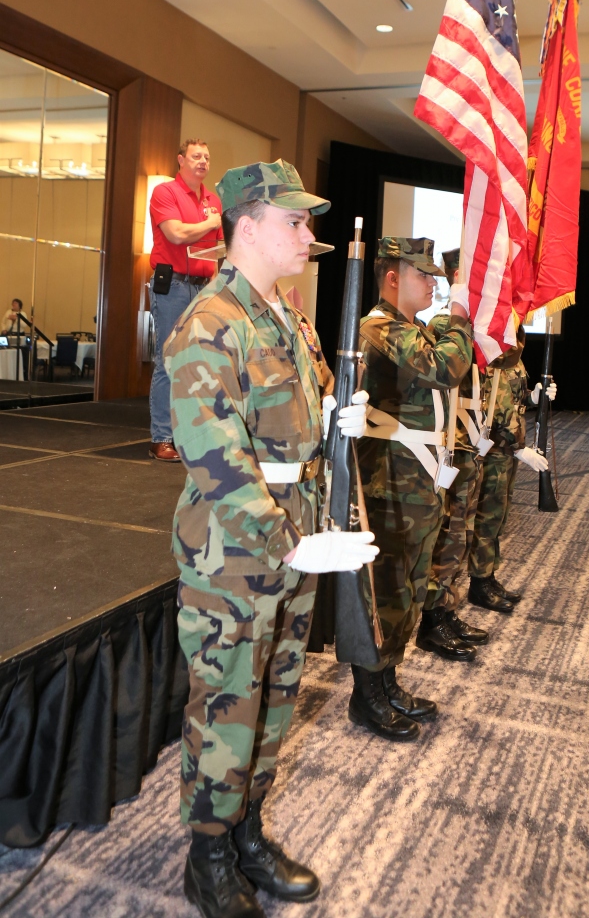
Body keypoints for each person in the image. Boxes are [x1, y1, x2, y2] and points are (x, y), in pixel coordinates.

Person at [165, 160, 377, 918]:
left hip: (295, 537)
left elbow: (299, 412)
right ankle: (208, 857)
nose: (307, 233)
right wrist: (288, 543)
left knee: (275, 697)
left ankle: (247, 831)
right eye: (294, 220)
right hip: (235, 553)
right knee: (228, 705)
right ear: (247, 227)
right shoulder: (210, 323)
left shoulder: (287, 317)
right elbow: (216, 458)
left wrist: (338, 415)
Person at [353, 237, 473, 740]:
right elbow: (446, 367)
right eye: (422, 275)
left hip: (416, 480)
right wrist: (460, 315)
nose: (432, 284)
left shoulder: (412, 328)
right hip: (391, 483)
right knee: (387, 590)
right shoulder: (379, 327)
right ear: (392, 277)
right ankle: (367, 694)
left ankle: (388, 682)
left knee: (408, 588)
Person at [417, 248, 488, 662]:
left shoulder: (470, 322)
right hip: (452, 443)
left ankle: (445, 609)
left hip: (467, 441)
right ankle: (433, 618)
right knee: (447, 536)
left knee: (460, 533)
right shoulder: (445, 323)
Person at [148, 139, 223, 462]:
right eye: (196, 156)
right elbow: (176, 234)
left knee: (199, 363)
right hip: (174, 286)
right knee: (169, 360)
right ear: (181, 160)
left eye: (207, 156)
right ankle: (162, 438)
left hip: (204, 287)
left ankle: (191, 435)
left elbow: (218, 250)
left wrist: (217, 288)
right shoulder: (165, 192)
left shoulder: (213, 200)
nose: (203, 161)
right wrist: (210, 223)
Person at [468, 333, 554, 614]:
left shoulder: (513, 352)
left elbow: (515, 400)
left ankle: (489, 575)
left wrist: (534, 396)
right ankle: (478, 582)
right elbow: (491, 410)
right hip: (494, 450)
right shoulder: (491, 350)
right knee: (487, 517)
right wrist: (518, 448)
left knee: (500, 517)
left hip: (509, 451)